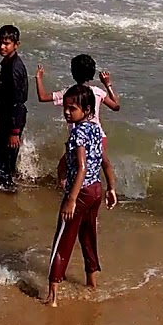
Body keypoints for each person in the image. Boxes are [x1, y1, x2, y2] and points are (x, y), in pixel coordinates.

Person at [46, 84, 108, 307]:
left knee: (63, 240)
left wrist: (71, 198)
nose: (66, 112)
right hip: (95, 190)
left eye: (72, 109)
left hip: (80, 192)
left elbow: (81, 167)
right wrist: (110, 187)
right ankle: (92, 281)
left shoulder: (77, 133)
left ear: (87, 109)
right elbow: (103, 160)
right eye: (65, 107)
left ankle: (52, 295)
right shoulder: (95, 129)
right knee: (88, 236)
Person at [34, 55, 120, 204]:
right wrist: (108, 84)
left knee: (64, 169)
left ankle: (70, 196)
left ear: (73, 73)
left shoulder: (70, 94)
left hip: (79, 139)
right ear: (93, 73)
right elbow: (116, 106)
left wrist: (38, 78)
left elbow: (42, 97)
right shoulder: (98, 92)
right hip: (98, 137)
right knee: (95, 168)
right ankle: (103, 192)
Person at [0, 25, 28, 191]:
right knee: (5, 161)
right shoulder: (8, 64)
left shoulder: (14, 69)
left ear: (16, 44)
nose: (2, 47)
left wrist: (14, 132)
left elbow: (17, 102)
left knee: (1, 162)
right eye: (0, 43)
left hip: (13, 121)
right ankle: (7, 189)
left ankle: (7, 196)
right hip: (8, 118)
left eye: (6, 43)